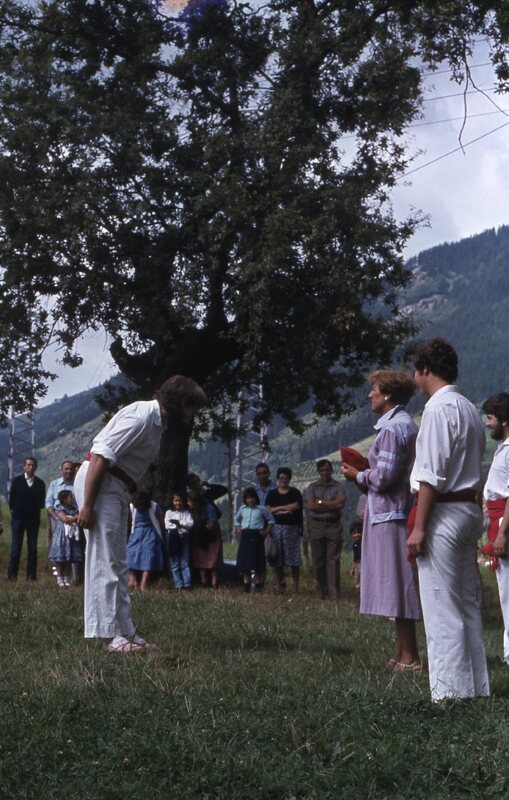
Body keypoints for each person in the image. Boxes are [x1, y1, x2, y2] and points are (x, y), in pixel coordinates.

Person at [74, 375, 207, 653]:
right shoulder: (140, 416)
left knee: (120, 562)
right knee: (105, 561)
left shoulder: (157, 425)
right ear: (178, 402)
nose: (193, 415)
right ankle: (109, 636)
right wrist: (87, 505)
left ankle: (126, 631)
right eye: (191, 407)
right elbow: (100, 456)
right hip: (101, 485)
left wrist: (126, 500)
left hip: (117, 489)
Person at [407, 338, 489, 702]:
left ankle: (450, 693)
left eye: (415, 370)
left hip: (443, 512)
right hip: (468, 508)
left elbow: (430, 475)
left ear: (425, 369)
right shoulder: (468, 408)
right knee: (466, 602)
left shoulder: (438, 409)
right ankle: (476, 686)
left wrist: (419, 527)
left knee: (441, 604)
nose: (415, 378)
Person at [342, 370, 422, 671]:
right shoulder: (403, 424)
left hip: (391, 515)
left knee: (399, 584)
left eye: (374, 389)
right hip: (393, 512)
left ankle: (410, 657)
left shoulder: (392, 429)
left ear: (387, 393)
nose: (369, 394)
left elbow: (386, 476)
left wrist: (358, 474)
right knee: (396, 584)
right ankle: (400, 653)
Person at [482, 392, 509, 664]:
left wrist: (502, 533)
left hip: (504, 523)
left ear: (504, 420)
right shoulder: (504, 448)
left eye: (490, 417)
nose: (487, 423)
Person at [307, 459, 346, 599]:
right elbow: (311, 506)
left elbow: (340, 504)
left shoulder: (339, 486)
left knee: (333, 560)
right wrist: (331, 504)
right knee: (318, 559)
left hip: (333, 525)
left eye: (327, 470)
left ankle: (334, 593)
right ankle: (321, 591)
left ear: (331, 470)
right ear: (318, 471)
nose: (325, 473)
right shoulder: (312, 487)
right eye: (322, 470)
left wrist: (320, 502)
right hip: (316, 525)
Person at [7, 456, 46, 582]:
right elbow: (11, 500)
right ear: (24, 466)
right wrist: (15, 513)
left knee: (32, 549)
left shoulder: (40, 483)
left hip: (33, 520)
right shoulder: (17, 481)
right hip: (18, 519)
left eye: (33, 465)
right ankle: (11, 576)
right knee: (15, 549)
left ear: (36, 467)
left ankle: (31, 577)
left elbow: (41, 503)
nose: (31, 467)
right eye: (28, 465)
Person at [266, 467, 303, 594]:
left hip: (292, 529)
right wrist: (286, 509)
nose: (283, 480)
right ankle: (279, 585)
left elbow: (296, 506)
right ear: (277, 479)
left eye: (286, 478)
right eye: (281, 478)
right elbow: (268, 510)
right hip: (276, 529)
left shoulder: (295, 493)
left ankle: (296, 587)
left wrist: (277, 509)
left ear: (289, 479)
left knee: (294, 559)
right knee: (277, 559)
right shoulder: (272, 494)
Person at [235, 487, 274, 593]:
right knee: (245, 564)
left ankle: (257, 586)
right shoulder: (242, 509)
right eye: (247, 498)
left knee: (257, 563)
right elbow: (236, 519)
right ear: (245, 499)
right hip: (245, 537)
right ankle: (246, 587)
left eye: (252, 497)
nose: (250, 500)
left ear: (255, 498)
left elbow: (271, 520)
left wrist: (266, 531)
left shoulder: (262, 509)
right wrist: (238, 527)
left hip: (257, 537)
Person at [127, 491, 165, 592]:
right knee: (129, 553)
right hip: (136, 533)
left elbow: (162, 521)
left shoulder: (154, 506)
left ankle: (144, 583)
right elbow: (129, 521)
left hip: (151, 533)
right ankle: (133, 579)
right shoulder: (132, 507)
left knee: (149, 556)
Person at [48, 489, 83, 587]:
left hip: (71, 536)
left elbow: (76, 516)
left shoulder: (73, 508)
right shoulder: (59, 508)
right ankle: (59, 578)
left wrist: (72, 518)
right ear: (64, 499)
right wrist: (75, 518)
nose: (72, 499)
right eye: (70, 497)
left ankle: (66, 578)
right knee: (60, 558)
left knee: (68, 558)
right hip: (61, 535)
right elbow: (65, 519)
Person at [189, 490, 223, 588]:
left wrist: (199, 527)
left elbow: (211, 524)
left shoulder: (208, 507)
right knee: (200, 559)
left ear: (196, 502)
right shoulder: (193, 510)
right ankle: (203, 582)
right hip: (200, 535)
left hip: (211, 536)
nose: (188, 503)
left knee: (213, 559)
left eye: (190, 501)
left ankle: (214, 583)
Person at [164, 491, 193, 591]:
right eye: (176, 501)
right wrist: (180, 525)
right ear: (172, 501)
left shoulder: (186, 513)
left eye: (180, 501)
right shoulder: (169, 513)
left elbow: (190, 524)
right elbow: (168, 525)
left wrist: (180, 524)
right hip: (172, 538)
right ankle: (178, 585)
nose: (178, 503)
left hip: (184, 538)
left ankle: (187, 584)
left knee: (185, 562)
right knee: (174, 562)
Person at [45, 460, 75, 551]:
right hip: (56, 518)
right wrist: (56, 517)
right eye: (66, 469)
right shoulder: (54, 484)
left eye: (71, 469)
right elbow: (49, 502)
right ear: (61, 470)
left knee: (73, 543)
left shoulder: (77, 484)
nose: (69, 471)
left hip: (73, 519)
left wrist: (74, 518)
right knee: (57, 543)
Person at [348, 519, 363, 590]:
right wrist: (353, 568)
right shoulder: (354, 545)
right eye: (354, 533)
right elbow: (355, 557)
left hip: (363, 564)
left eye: (359, 532)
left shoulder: (363, 543)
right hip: (357, 565)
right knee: (357, 579)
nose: (357, 535)